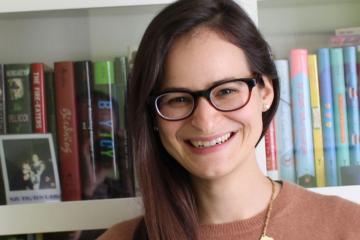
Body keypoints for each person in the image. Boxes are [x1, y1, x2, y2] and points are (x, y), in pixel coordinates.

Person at [98, 0, 360, 239]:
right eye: (177, 99)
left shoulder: (349, 226)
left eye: (226, 91)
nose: (205, 121)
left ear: (265, 91)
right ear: (153, 115)